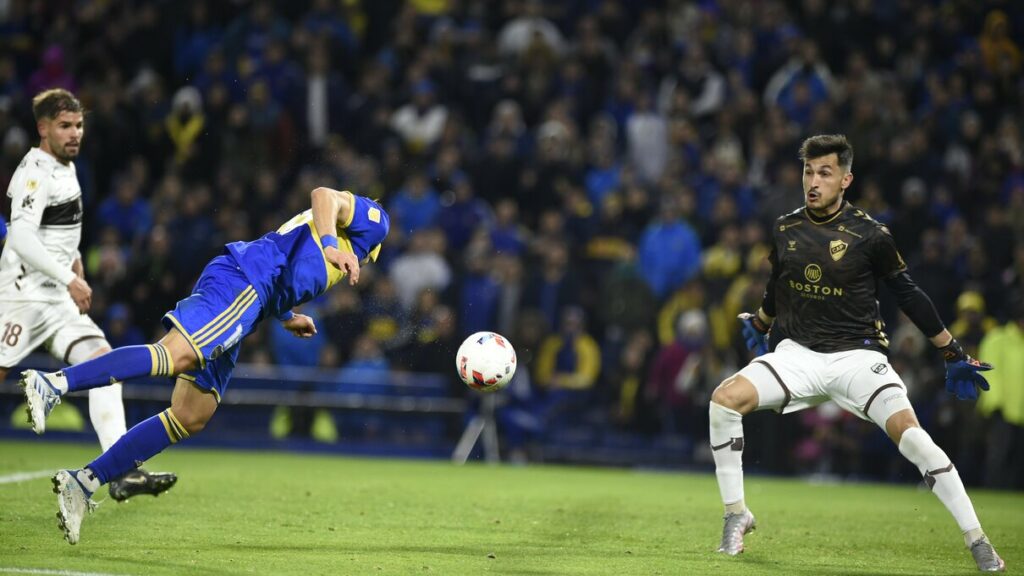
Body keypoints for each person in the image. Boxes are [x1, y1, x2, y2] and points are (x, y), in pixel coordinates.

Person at [20, 185, 389, 545]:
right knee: (172, 355)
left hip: (255, 295)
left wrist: (287, 315)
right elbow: (324, 194)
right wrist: (329, 245)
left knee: (191, 414)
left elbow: (288, 263)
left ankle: (83, 482)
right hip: (243, 280)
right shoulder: (375, 223)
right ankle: (53, 384)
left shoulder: (345, 251)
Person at [710, 135, 1004, 572]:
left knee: (915, 438)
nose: (813, 181)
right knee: (722, 401)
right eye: (809, 172)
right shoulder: (786, 227)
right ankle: (737, 515)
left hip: (857, 358)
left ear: (845, 179)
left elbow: (908, 294)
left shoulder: (871, 235)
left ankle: (978, 540)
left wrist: (951, 350)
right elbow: (779, 283)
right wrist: (762, 321)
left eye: (824, 173)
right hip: (799, 356)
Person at [1, 89, 177, 502]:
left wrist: (75, 259)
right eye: (65, 126)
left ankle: (118, 471)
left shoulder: (69, 167)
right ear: (43, 128)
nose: (75, 133)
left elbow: (56, 229)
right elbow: (23, 237)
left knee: (104, 366)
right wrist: (70, 277)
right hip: (21, 296)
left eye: (79, 125)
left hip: (58, 300)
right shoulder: (34, 172)